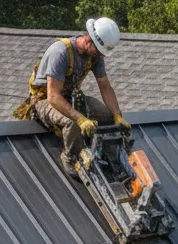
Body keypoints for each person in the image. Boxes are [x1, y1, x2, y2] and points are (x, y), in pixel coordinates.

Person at [13, 17, 131, 177]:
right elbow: (53, 97)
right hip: (44, 100)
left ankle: (108, 153)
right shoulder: (61, 52)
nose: (100, 56)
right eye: (99, 51)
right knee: (73, 122)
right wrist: (81, 119)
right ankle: (70, 157)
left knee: (107, 116)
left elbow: (105, 86)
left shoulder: (94, 56)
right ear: (89, 40)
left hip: (70, 97)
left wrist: (117, 115)